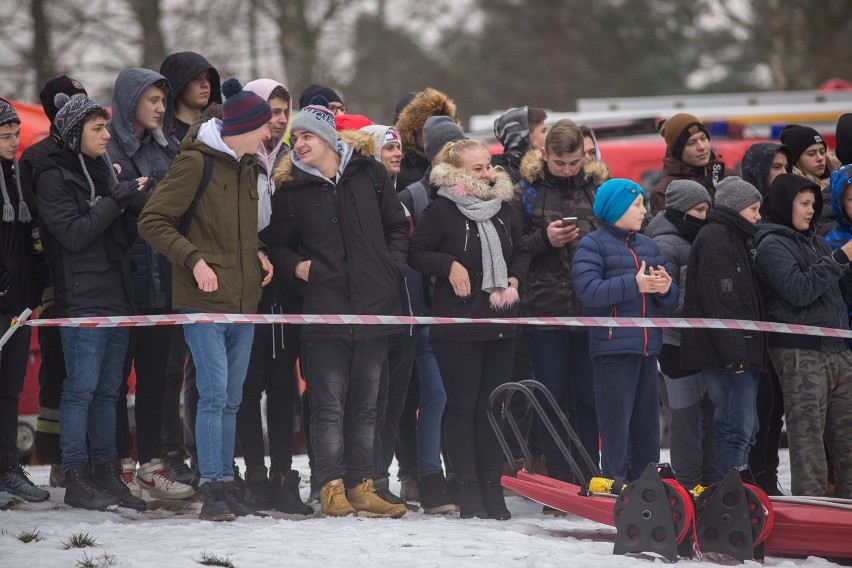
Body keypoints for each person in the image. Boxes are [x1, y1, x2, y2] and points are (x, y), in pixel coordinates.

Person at [262, 97, 409, 519]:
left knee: (367, 406)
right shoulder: (291, 190)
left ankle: (361, 484)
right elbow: (276, 244)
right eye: (296, 137)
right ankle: (329, 486)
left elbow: (397, 226)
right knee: (328, 405)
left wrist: (392, 266)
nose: (299, 143)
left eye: (306, 135)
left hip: (374, 307)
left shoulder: (371, 174)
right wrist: (298, 268)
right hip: (323, 311)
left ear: (328, 138)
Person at [138, 78, 274, 521]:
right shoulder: (196, 163)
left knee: (232, 398)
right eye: (265, 126)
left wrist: (258, 253)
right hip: (203, 298)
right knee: (214, 395)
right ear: (243, 126)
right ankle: (213, 486)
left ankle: (224, 481)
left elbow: (239, 231)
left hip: (243, 298)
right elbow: (153, 220)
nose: (270, 134)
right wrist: (194, 260)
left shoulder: (249, 166)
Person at [36, 93, 148, 511]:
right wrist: (116, 200)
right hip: (80, 297)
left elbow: (115, 230)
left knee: (108, 391)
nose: (106, 135)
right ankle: (76, 475)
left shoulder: (103, 170)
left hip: (118, 292)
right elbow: (74, 234)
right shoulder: (52, 176)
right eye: (97, 129)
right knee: (80, 390)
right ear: (74, 133)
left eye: (106, 127)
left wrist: (135, 204)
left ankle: (107, 472)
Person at [409, 138, 530, 520]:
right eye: (478, 168)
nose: (488, 173)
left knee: (492, 408)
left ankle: (493, 487)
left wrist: (515, 278)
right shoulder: (441, 210)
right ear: (458, 171)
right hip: (458, 326)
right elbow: (414, 253)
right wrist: (447, 265)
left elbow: (523, 250)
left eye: (489, 165)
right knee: (462, 408)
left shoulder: (505, 207)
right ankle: (468, 488)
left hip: (500, 324)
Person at [105, 67, 193, 501]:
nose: (162, 109)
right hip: (121, 281)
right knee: (118, 378)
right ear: (130, 100)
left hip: (164, 279)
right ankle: (119, 463)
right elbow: (112, 204)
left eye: (163, 101)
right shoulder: (106, 146)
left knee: (158, 375)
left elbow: (174, 205)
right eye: (153, 101)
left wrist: (141, 196)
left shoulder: (169, 149)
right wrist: (136, 196)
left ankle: (153, 464)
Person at [513, 119, 607, 489]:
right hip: (543, 311)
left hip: (590, 311)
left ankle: (591, 476)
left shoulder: (598, 190)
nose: (568, 170)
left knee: (588, 398)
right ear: (544, 155)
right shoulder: (525, 193)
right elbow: (511, 247)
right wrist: (543, 239)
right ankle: (560, 479)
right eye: (560, 163)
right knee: (551, 398)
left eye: (574, 163)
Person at [233, 78, 312, 515]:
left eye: (285, 111)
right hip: (243, 289)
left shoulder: (293, 161)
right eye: (272, 110)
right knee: (246, 386)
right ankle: (254, 476)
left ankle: (283, 475)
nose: (280, 120)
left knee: (282, 385)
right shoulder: (238, 158)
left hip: (285, 291)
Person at [753, 173, 852, 498]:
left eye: (814, 204)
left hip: (837, 348)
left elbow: (837, 292)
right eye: (804, 203)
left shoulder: (817, 241)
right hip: (800, 351)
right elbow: (798, 290)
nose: (810, 211)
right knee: (807, 437)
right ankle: (812, 509)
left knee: (846, 438)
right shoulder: (771, 244)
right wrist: (841, 258)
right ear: (785, 204)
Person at [572, 178, 677, 482]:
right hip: (613, 351)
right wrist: (635, 284)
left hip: (647, 351)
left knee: (647, 426)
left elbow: (669, 300)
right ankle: (615, 482)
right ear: (617, 208)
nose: (644, 211)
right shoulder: (591, 244)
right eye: (637, 205)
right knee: (616, 426)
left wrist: (665, 288)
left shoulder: (648, 245)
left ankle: (648, 486)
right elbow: (589, 292)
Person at [18, 75, 88, 488]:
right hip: (52, 285)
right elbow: (32, 228)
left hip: (91, 282)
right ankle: (56, 459)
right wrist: (42, 285)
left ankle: (89, 458)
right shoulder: (38, 158)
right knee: (56, 374)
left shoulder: (94, 150)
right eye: (73, 102)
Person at [397, 117, 465, 514]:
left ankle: (460, 473)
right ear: (435, 154)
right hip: (427, 316)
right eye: (448, 151)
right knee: (435, 397)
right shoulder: (414, 196)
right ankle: (428, 476)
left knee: (460, 398)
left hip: (463, 316)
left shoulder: (472, 193)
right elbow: (409, 257)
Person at [680, 177, 767, 482]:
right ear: (736, 208)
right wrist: (735, 356)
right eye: (753, 209)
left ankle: (732, 491)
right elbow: (721, 303)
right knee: (734, 427)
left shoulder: (735, 238)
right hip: (730, 357)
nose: (758, 216)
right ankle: (726, 498)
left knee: (745, 428)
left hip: (740, 352)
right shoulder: (717, 238)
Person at [645, 180, 715, 491]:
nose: (705, 216)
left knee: (705, 414)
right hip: (675, 344)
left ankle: (707, 479)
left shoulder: (699, 236)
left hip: (702, 342)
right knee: (685, 418)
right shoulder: (664, 244)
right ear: (681, 210)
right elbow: (665, 302)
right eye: (699, 210)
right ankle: (688, 485)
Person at [0, 98, 46, 504]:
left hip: (17, 305)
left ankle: (9, 468)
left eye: (16, 134)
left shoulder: (17, 177)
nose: (14, 142)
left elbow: (27, 236)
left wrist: (37, 280)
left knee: (11, 388)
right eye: (5, 136)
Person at [740, 141, 793, 495]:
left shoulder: (789, 210)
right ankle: (753, 479)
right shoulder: (746, 213)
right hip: (752, 333)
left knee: (776, 410)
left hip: (785, 331)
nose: (783, 174)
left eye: (786, 166)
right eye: (775, 167)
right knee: (756, 411)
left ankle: (768, 477)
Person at [650, 113, 732, 215]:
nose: (701, 147)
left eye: (703, 138)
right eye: (691, 142)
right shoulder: (664, 192)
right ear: (677, 151)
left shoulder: (730, 178)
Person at [394, 87, 457, 191]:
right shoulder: (396, 172)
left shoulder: (455, 163)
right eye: (427, 125)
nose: (436, 132)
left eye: (440, 125)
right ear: (411, 130)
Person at [779, 124, 837, 235]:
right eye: (811, 154)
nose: (820, 158)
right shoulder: (794, 191)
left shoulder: (841, 181)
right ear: (796, 160)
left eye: (822, 151)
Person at [159, 51, 222, 147]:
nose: (205, 84)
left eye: (208, 78)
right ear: (178, 84)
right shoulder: (162, 137)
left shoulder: (220, 128)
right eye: (196, 78)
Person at [491, 107, 548, 184]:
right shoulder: (505, 177)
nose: (548, 135)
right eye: (543, 131)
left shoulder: (545, 167)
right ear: (525, 136)